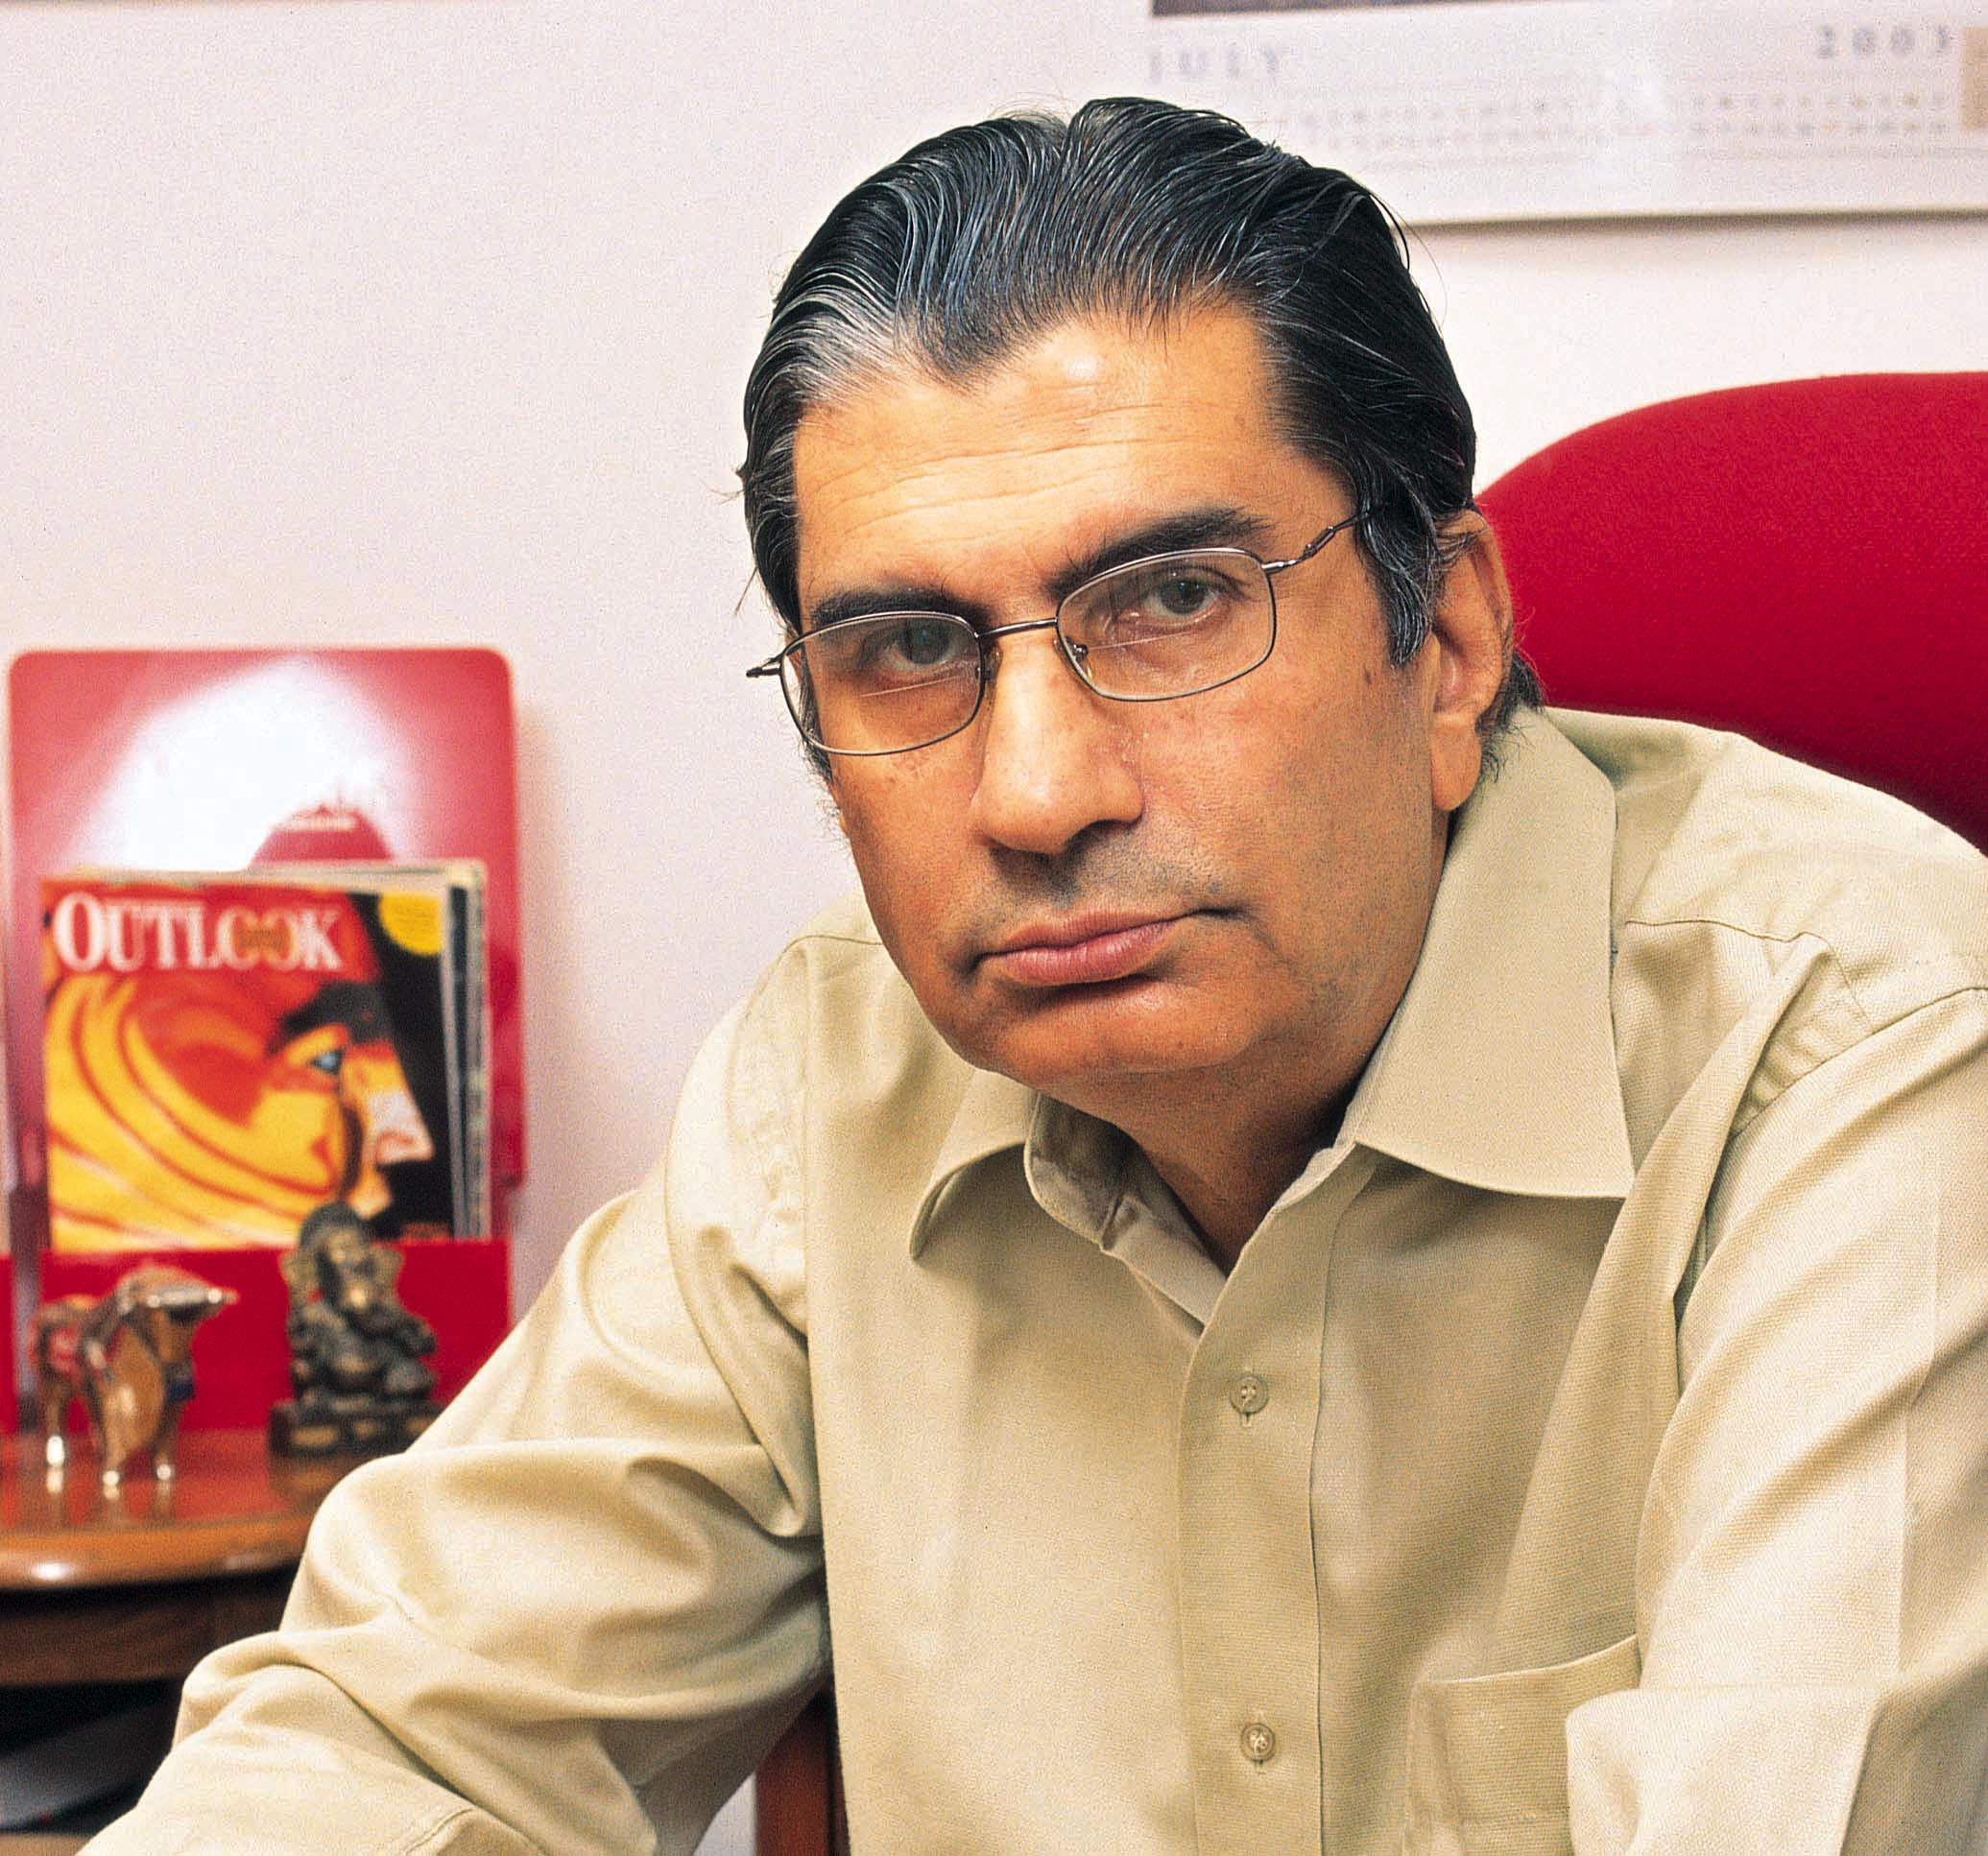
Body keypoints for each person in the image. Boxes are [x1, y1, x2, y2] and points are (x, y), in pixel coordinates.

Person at [89, 98, 1987, 1856]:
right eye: (910, 648)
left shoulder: (1860, 1047)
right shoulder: (833, 1077)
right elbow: (393, 1736)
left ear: (1449, 643)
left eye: (1173, 602)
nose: (1034, 792)